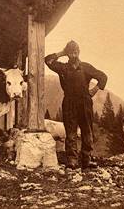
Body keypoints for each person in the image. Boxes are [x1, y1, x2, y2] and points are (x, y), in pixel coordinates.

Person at [45, 40, 107, 169]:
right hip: (69, 102)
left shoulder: (86, 67)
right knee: (71, 132)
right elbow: (48, 60)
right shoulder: (62, 68)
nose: (74, 54)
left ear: (79, 52)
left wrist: (93, 91)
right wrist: (61, 52)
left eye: (75, 51)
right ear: (67, 53)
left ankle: (86, 160)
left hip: (85, 102)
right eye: (70, 52)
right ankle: (72, 160)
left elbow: (103, 77)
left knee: (87, 131)